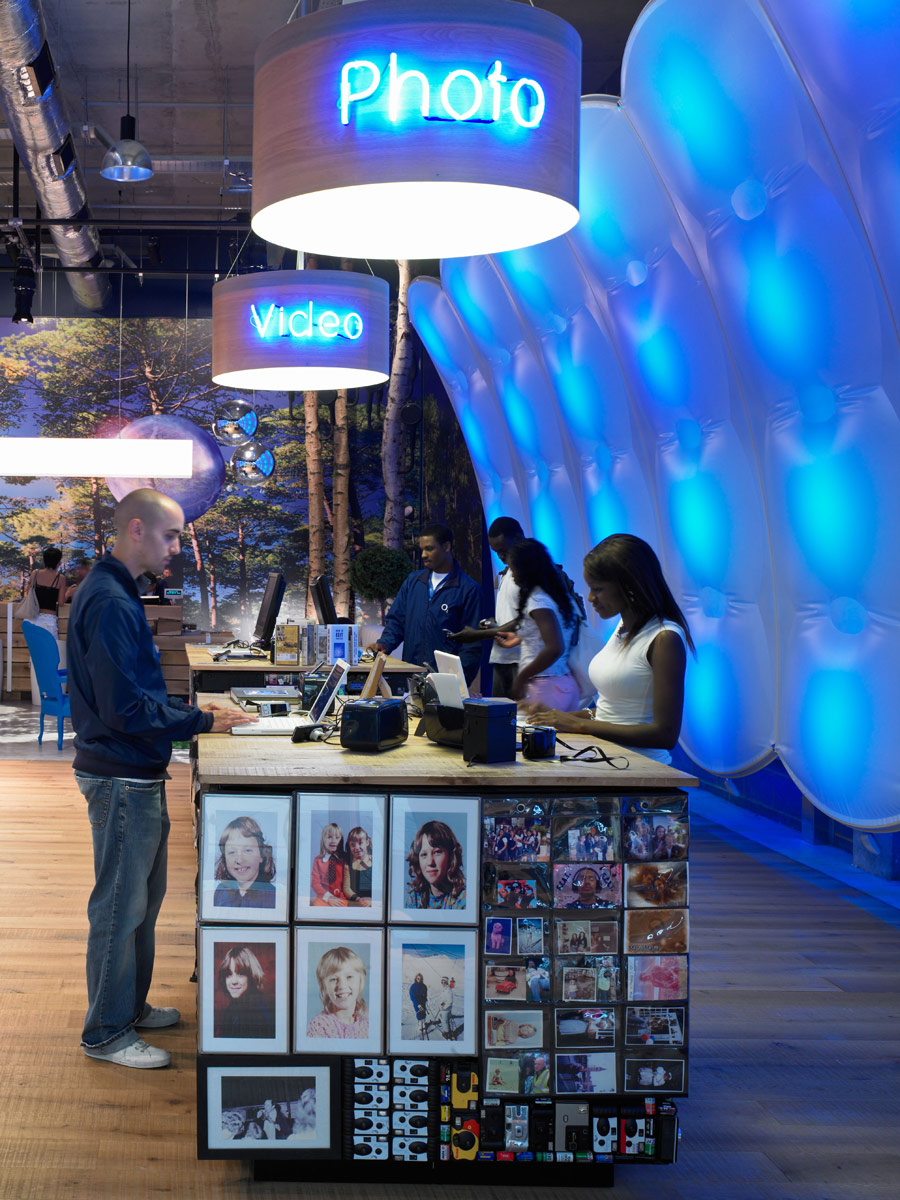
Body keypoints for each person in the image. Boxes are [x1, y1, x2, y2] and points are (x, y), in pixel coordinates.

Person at [67, 488, 255, 1069]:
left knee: (142, 903)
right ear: (137, 530)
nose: (178, 548)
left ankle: (128, 1005)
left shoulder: (116, 592)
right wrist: (201, 719)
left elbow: (133, 693)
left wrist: (192, 713)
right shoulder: (113, 602)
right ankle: (105, 1031)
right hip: (121, 775)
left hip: (133, 771)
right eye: (171, 536)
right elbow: (126, 709)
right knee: (121, 906)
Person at [522, 534, 694, 764]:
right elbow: (611, 713)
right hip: (606, 757)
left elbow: (665, 735)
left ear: (630, 586)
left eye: (599, 589)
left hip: (641, 768)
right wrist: (557, 718)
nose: (591, 598)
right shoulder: (622, 627)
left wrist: (580, 725)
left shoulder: (664, 639)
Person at [366, 523, 484, 683]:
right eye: (422, 549)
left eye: (429, 549)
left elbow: (472, 644)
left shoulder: (468, 589)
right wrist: (384, 644)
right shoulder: (413, 582)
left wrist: (461, 681)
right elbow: (397, 622)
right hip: (411, 677)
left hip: (445, 681)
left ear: (447, 547)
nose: (423, 555)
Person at [493, 538, 580, 709]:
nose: (512, 574)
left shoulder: (537, 601)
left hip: (544, 686)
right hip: (562, 683)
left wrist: (521, 677)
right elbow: (549, 633)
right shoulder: (554, 596)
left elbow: (554, 647)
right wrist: (518, 638)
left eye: (514, 568)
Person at [486, 516, 525, 698]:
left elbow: (531, 616)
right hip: (501, 657)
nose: (500, 556)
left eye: (503, 550)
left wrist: (482, 634)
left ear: (517, 539)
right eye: (496, 552)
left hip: (524, 661)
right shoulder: (506, 573)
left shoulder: (533, 571)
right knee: (497, 721)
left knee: (525, 722)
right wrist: (494, 625)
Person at [213, 816, 276, 909]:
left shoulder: (272, 895)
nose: (239, 860)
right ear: (225, 859)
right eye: (232, 852)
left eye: (248, 850)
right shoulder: (221, 891)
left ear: (261, 856)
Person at [305, 946, 369, 1039]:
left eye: (349, 977)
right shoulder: (319, 1027)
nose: (342, 986)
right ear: (324, 986)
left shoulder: (369, 1021)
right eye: (334, 979)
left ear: (361, 981)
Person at [215, 945, 275, 1040]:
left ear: (251, 976)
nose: (234, 981)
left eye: (240, 974)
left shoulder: (259, 1013)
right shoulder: (229, 1011)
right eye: (229, 974)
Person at [405, 819, 466, 910]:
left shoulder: (463, 899)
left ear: (451, 856)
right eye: (424, 855)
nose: (430, 862)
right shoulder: (415, 898)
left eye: (437, 852)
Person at [25, 546, 67, 637]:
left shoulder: (34, 574)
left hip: (32, 620)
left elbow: (28, 593)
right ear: (58, 562)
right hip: (48, 621)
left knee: (35, 650)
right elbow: (61, 602)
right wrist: (69, 593)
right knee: (51, 650)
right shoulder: (60, 578)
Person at [310, 822, 348, 907]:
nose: (333, 840)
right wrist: (329, 897)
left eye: (337, 837)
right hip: (323, 897)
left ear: (341, 840)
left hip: (340, 898)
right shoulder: (318, 860)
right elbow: (315, 883)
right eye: (329, 837)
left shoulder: (344, 859)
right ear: (323, 839)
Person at [342, 826, 373, 906]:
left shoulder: (374, 861)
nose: (356, 847)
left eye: (360, 843)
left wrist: (372, 900)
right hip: (357, 902)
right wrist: (358, 899)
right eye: (353, 845)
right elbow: (346, 888)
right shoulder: (348, 865)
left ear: (367, 842)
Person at [409, 972, 428, 1038]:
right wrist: (417, 1003)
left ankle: (423, 1022)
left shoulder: (424, 986)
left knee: (423, 1011)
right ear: (416, 979)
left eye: (421, 978)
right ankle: (420, 1024)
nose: (419, 979)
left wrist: (425, 998)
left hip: (423, 1002)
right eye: (418, 978)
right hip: (417, 1003)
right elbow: (412, 996)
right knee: (419, 1012)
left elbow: (425, 994)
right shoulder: (413, 986)